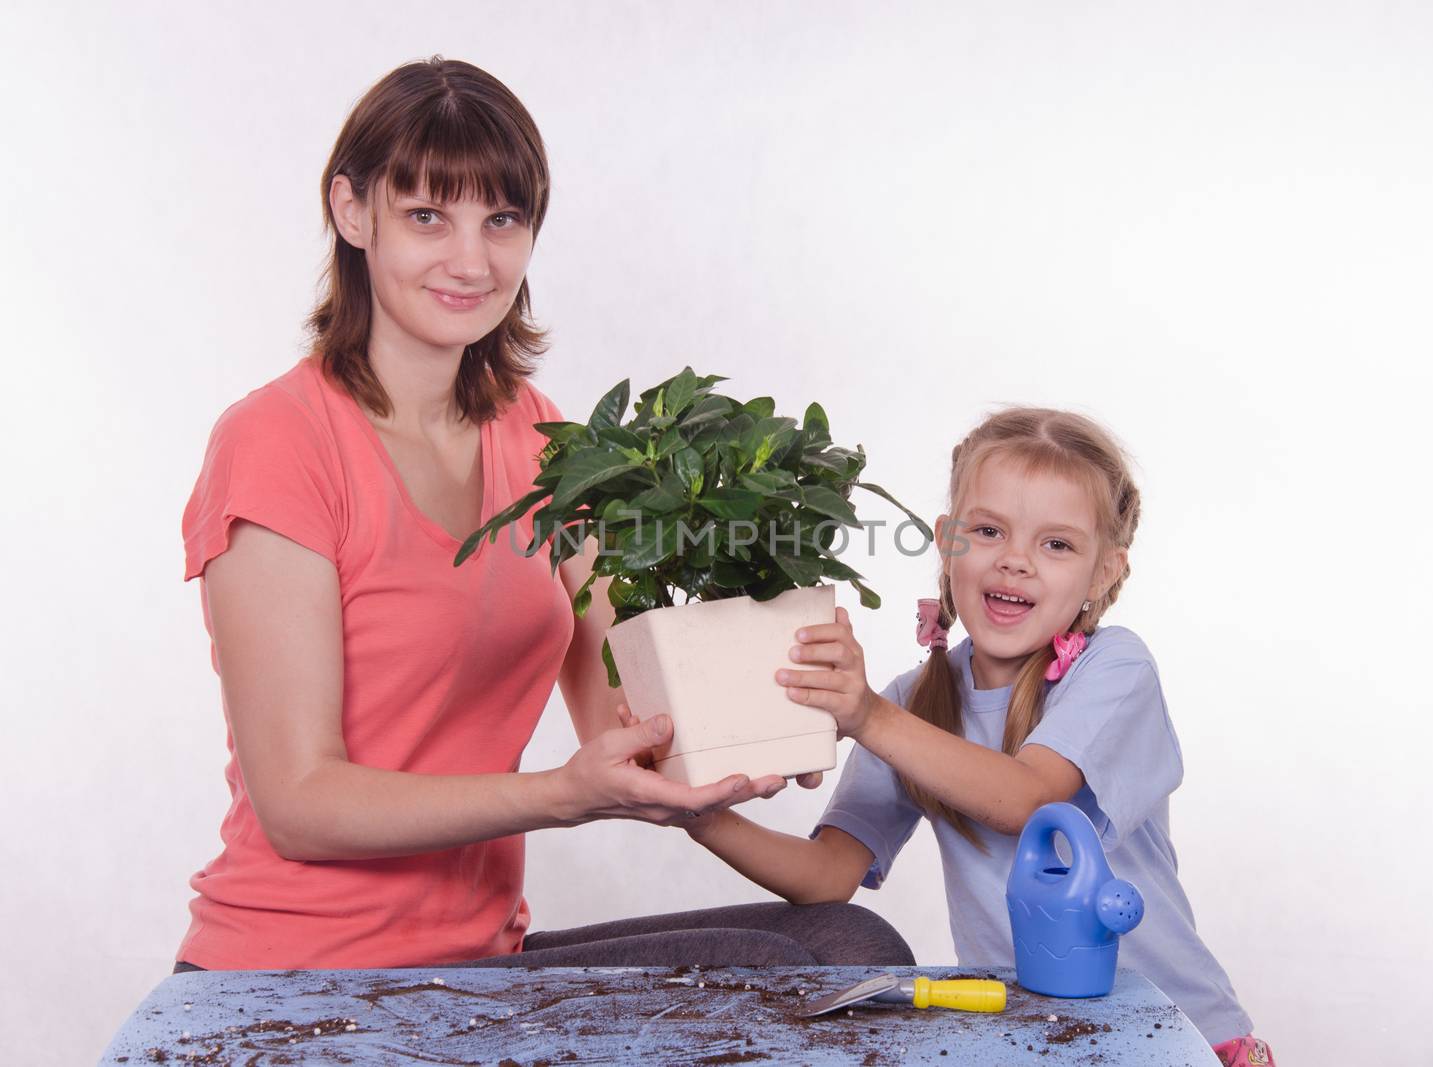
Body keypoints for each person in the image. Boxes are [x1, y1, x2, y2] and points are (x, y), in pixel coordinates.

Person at [174, 56, 911, 972]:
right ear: (352, 211)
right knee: (812, 969)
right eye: (427, 216)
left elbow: (622, 703)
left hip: (472, 960)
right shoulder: (278, 442)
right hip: (295, 972)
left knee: (847, 944)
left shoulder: (534, 430)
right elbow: (299, 801)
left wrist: (759, 714)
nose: (472, 260)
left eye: (503, 219)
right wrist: (560, 794)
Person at [676, 407, 1274, 1065]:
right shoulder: (912, 702)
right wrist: (703, 817)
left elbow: (1029, 800)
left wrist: (869, 717)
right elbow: (826, 877)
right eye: (989, 530)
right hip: (1031, 1042)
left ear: (1104, 572)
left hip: (1177, 1037)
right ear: (948, 540)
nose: (1015, 560)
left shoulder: (1114, 668)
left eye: (1057, 544)